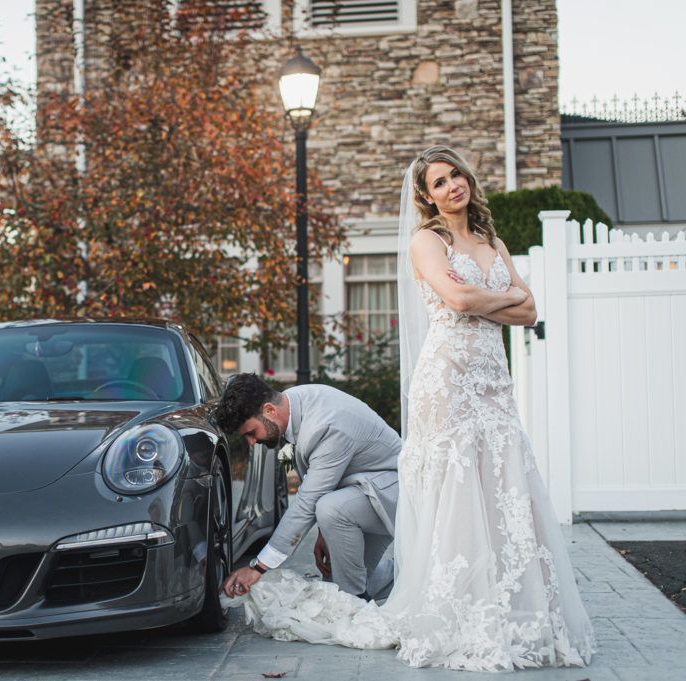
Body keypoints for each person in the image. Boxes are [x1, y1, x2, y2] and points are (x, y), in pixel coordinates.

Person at [224, 145, 595, 672]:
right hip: (447, 382)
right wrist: (494, 301)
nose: (452, 186)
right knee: (460, 495)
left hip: (493, 382)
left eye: (456, 176)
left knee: (504, 491)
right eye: (439, 182)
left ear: (467, 179)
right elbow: (462, 302)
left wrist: (478, 300)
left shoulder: (491, 239)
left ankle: (511, 608)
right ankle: (458, 612)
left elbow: (530, 308)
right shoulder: (427, 240)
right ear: (426, 195)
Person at [215, 375, 401, 602]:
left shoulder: (325, 425)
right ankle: (407, 577)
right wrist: (326, 530)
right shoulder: (293, 401)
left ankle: (354, 604)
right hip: (361, 492)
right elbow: (324, 478)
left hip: (390, 492)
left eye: (251, 433)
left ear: (269, 410)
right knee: (336, 583)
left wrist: (257, 568)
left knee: (331, 515)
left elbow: (307, 504)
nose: (251, 443)